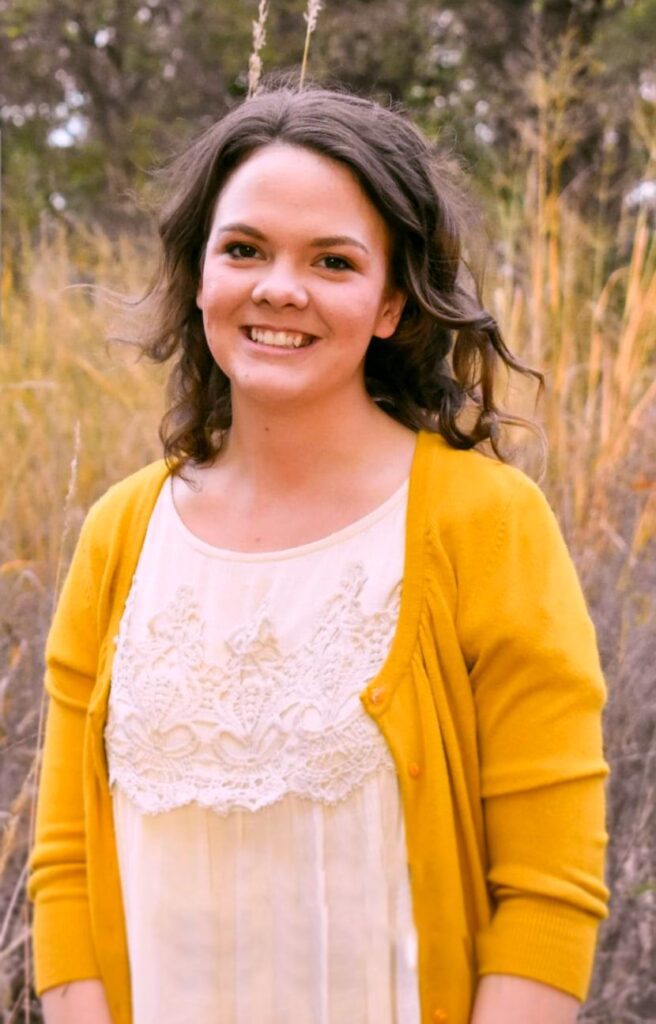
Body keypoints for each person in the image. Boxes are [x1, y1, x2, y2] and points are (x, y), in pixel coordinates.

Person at [28, 72, 610, 1024]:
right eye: (245, 249)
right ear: (202, 275)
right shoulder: (119, 535)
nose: (279, 288)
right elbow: (63, 874)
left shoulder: (487, 525)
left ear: (393, 306)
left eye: (334, 262)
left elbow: (548, 892)